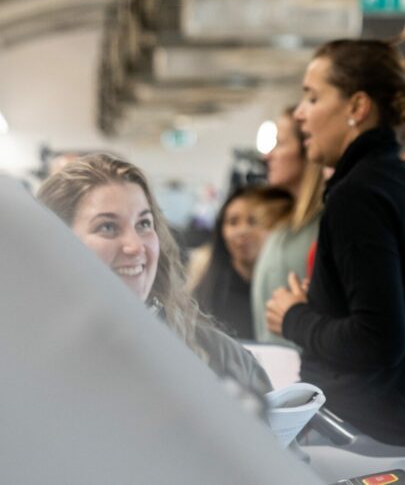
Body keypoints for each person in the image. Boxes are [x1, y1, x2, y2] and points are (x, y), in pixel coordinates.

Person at [265, 33, 405, 447]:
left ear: (357, 108)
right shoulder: (400, 182)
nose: (301, 115)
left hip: (382, 436)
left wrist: (294, 317)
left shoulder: (358, 195)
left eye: (312, 98)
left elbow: (379, 340)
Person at [36, 153, 272, 395]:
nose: (136, 246)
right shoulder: (24, 363)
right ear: (57, 241)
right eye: (107, 227)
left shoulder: (221, 360)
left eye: (144, 224)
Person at [251, 107, 326, 346]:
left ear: (308, 149)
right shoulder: (282, 224)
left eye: (280, 144)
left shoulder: (324, 225)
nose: (267, 156)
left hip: (308, 377)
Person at [193, 186, 293, 339]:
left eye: (253, 221)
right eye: (233, 222)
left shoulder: (285, 288)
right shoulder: (207, 289)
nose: (243, 231)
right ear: (221, 230)